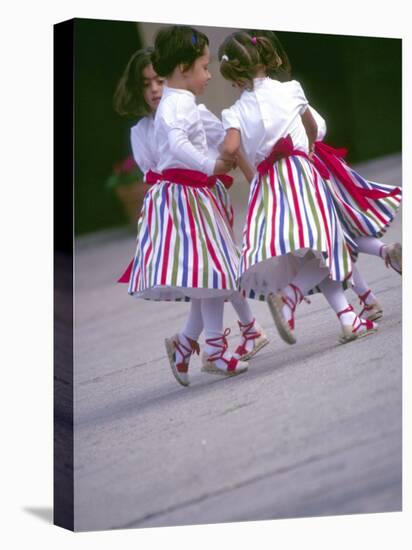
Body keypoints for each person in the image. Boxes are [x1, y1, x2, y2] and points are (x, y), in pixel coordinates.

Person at [114, 47, 269, 381]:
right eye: (146, 84)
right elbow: (153, 171)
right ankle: (212, 343)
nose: (155, 89)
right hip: (175, 208)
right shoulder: (140, 130)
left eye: (158, 80)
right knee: (209, 275)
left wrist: (235, 171)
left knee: (212, 274)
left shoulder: (191, 111)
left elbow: (226, 144)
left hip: (203, 199)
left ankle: (192, 344)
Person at [218, 31, 378, 345]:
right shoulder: (291, 89)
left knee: (312, 256)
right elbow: (314, 127)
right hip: (301, 176)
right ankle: (290, 297)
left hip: (270, 188)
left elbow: (232, 146)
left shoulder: (233, 112)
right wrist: (309, 149)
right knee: (327, 246)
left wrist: (225, 153)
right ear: (263, 58)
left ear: (233, 74)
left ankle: (348, 317)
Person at [244, 29, 402, 322]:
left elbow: (315, 126)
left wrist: (306, 144)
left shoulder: (281, 95)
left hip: (308, 174)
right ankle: (374, 280)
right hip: (317, 170)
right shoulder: (286, 92)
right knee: (335, 237)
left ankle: (364, 292)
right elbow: (321, 125)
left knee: (329, 241)